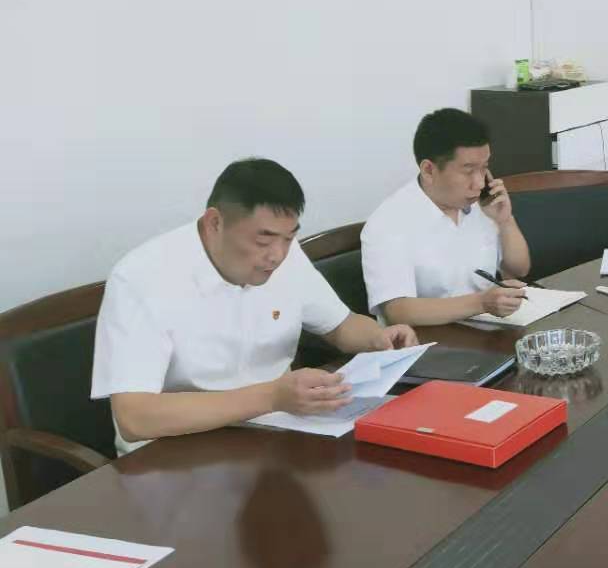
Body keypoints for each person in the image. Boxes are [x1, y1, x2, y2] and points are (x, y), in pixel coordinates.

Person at [91, 159, 418, 454]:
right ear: (215, 222)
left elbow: (341, 326)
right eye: (263, 240)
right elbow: (135, 417)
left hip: (275, 435)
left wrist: (378, 337)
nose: (277, 255)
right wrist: (271, 396)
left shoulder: (284, 256)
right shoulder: (142, 278)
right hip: (175, 455)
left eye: (289, 238)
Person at [362, 108, 532, 326]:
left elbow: (519, 270)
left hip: (488, 331)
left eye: (484, 169)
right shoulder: (388, 223)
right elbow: (398, 311)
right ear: (429, 170)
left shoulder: (482, 204)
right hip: (430, 340)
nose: (479, 183)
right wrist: (482, 303)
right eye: (468, 171)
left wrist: (505, 221)